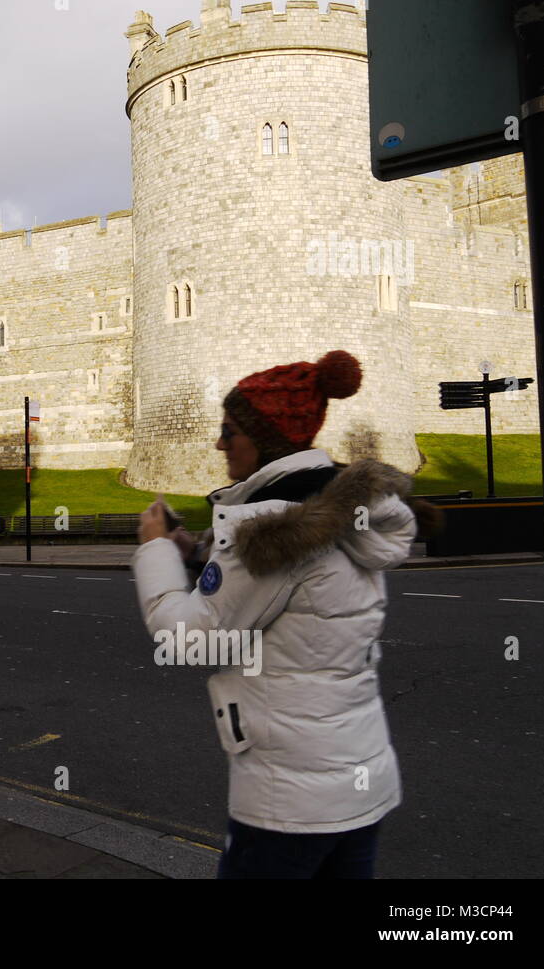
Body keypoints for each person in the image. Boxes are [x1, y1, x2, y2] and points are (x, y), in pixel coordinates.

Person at [133, 350, 439, 879]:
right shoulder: (338, 515)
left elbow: (186, 640)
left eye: (229, 430)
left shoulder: (269, 535)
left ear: (264, 441)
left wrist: (156, 550)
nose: (219, 443)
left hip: (289, 804)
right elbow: (291, 600)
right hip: (358, 780)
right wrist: (201, 553)